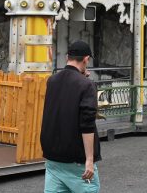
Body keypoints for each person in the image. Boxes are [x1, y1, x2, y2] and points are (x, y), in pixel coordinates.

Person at [40, 41, 101, 192]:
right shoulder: (86, 85)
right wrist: (89, 159)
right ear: (86, 59)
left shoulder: (52, 81)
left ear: (67, 57)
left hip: (52, 157)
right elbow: (87, 124)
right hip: (76, 159)